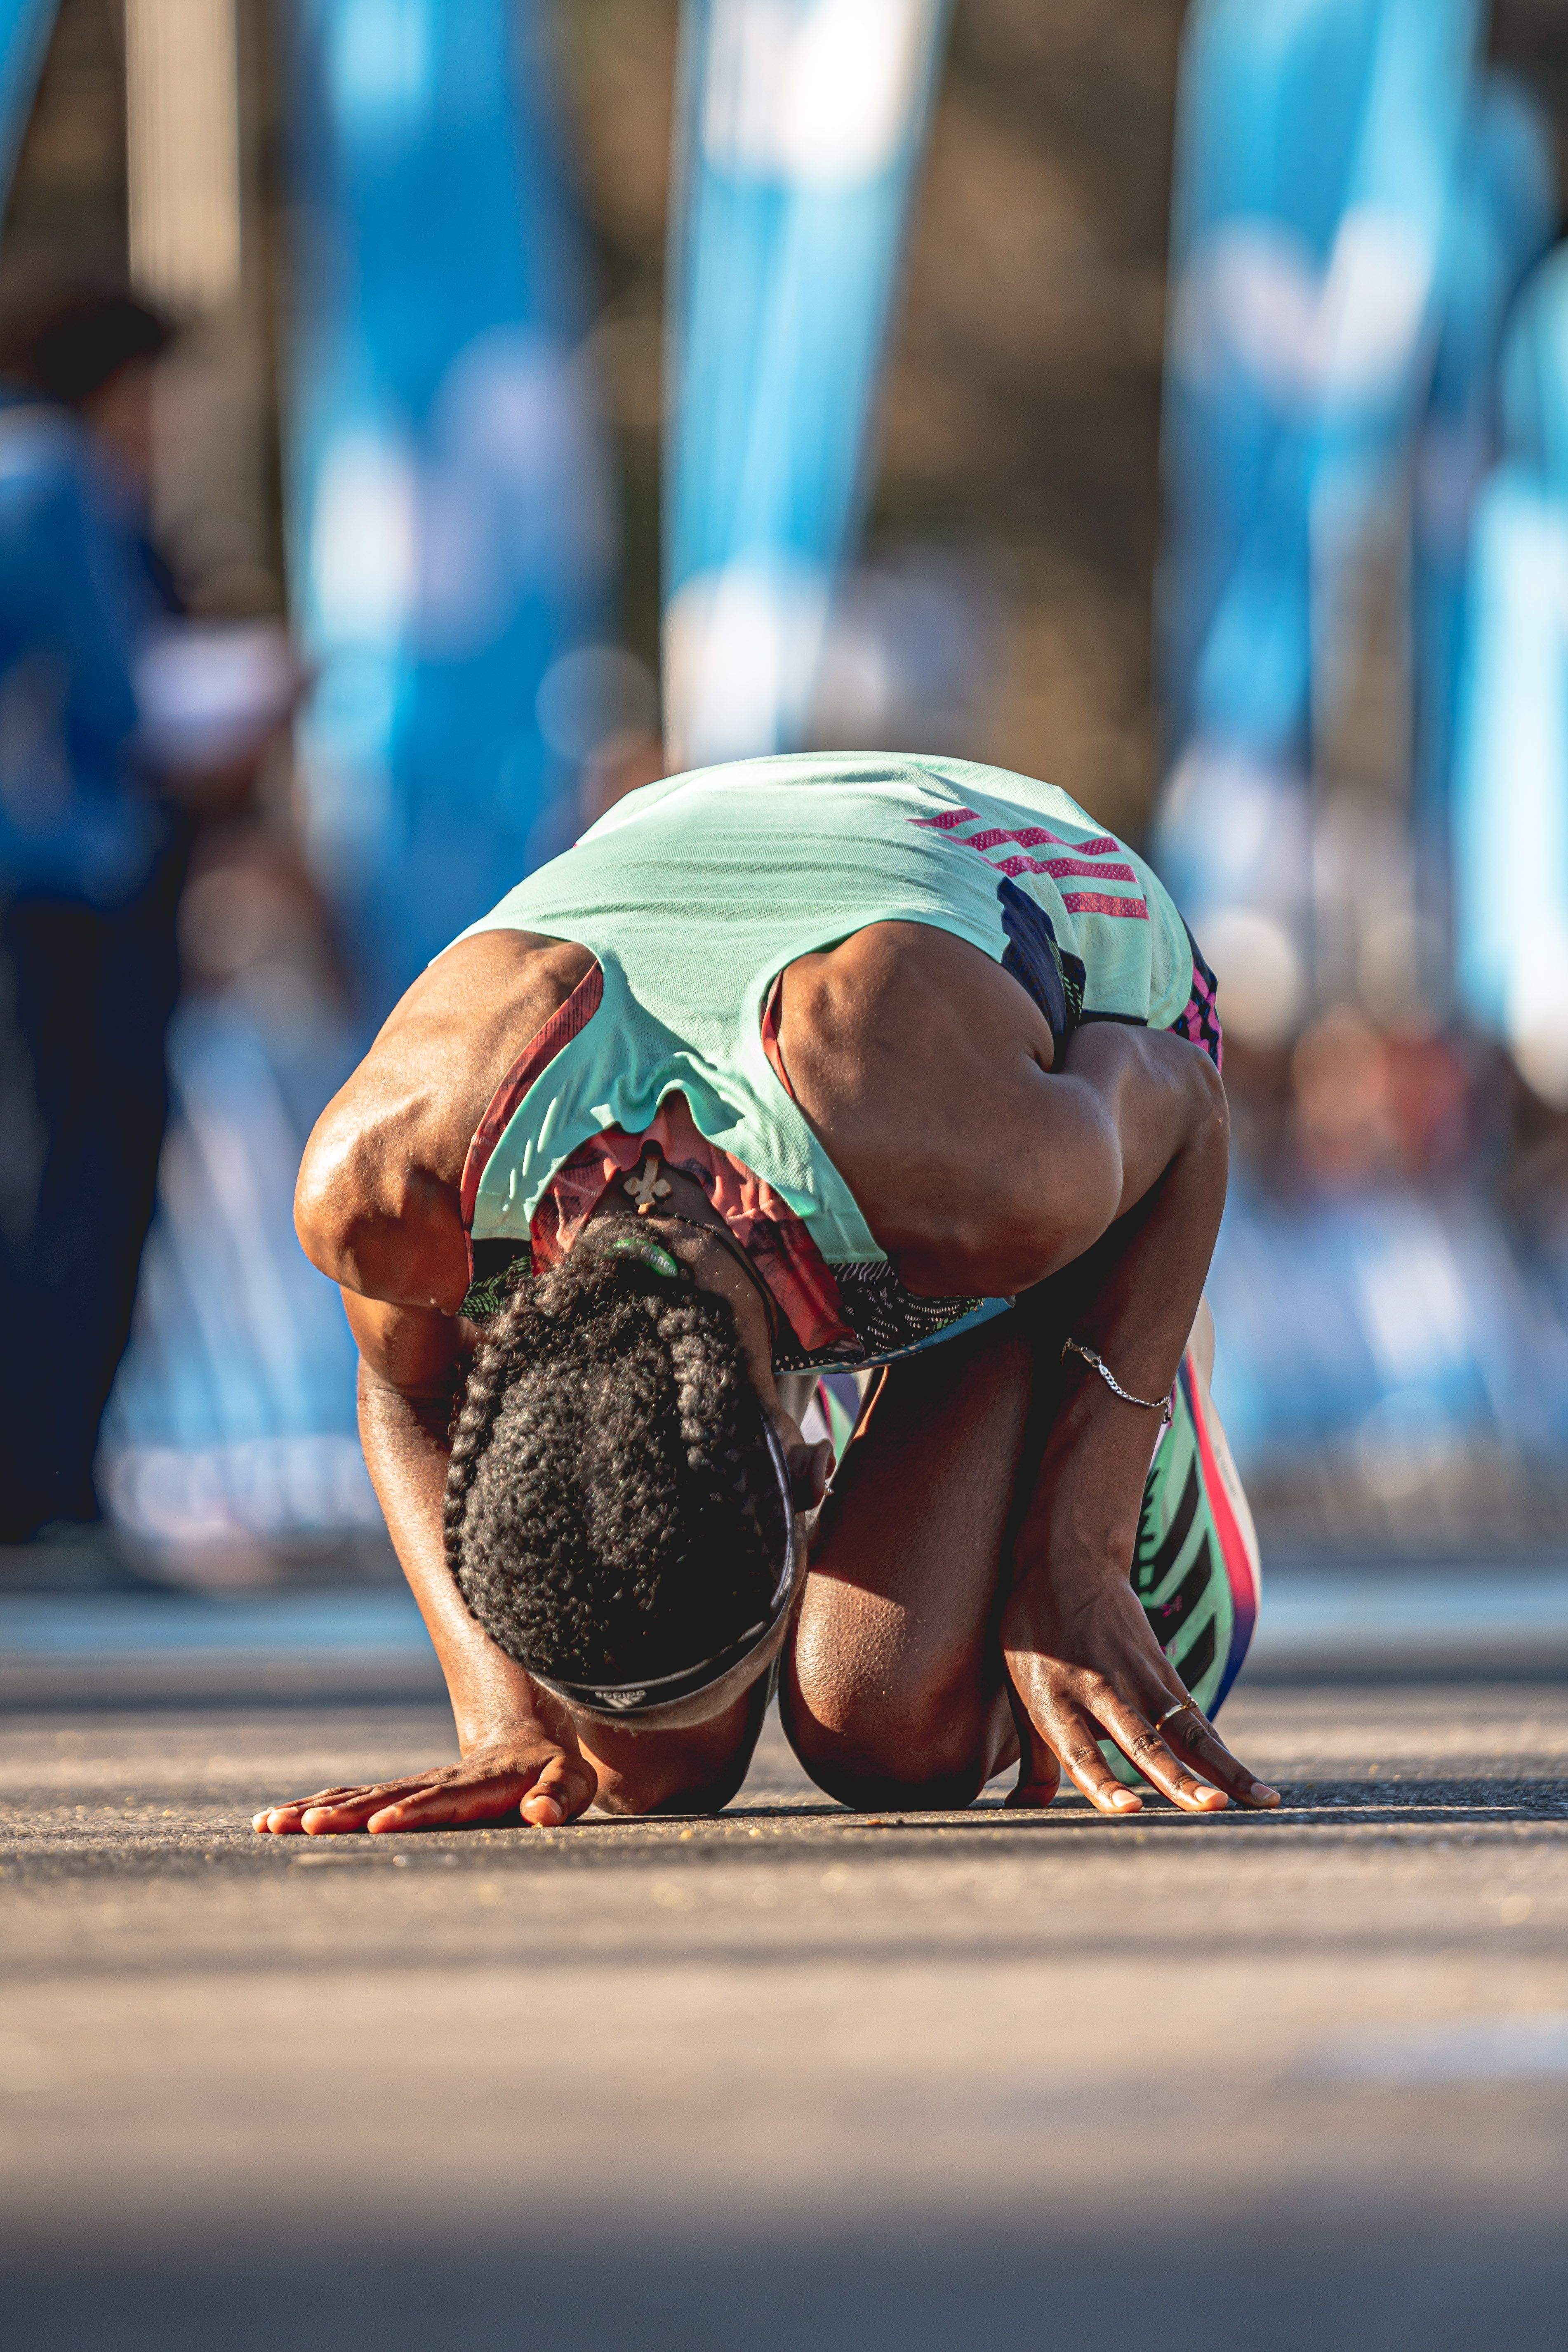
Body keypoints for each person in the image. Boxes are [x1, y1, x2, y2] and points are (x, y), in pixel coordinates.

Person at [256, 751, 1277, 1832]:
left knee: (894, 1734)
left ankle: (1099, 1400)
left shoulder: (982, 1180)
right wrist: (505, 1726)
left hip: (1021, 932)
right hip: (709, 877)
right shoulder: (382, 1190)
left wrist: (1078, 1545)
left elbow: (1189, 1113)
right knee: (642, 1769)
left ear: (801, 1466)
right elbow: (406, 1393)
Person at [0, 273, 187, 1542]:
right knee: (79, 1186)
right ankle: (50, 1495)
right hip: (71, 890)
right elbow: (128, 704)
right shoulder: (54, 479)